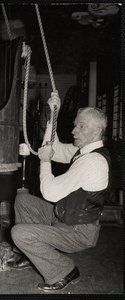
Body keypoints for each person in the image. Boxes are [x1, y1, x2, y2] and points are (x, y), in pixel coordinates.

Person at [7, 91, 111, 292]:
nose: (74, 131)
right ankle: (33, 256)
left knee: (19, 233)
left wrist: (45, 161)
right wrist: (54, 112)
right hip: (64, 217)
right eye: (75, 125)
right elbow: (53, 147)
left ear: (97, 130)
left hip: (78, 232)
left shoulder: (94, 162)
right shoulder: (84, 152)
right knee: (23, 201)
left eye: (81, 126)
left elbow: (50, 193)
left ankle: (65, 271)